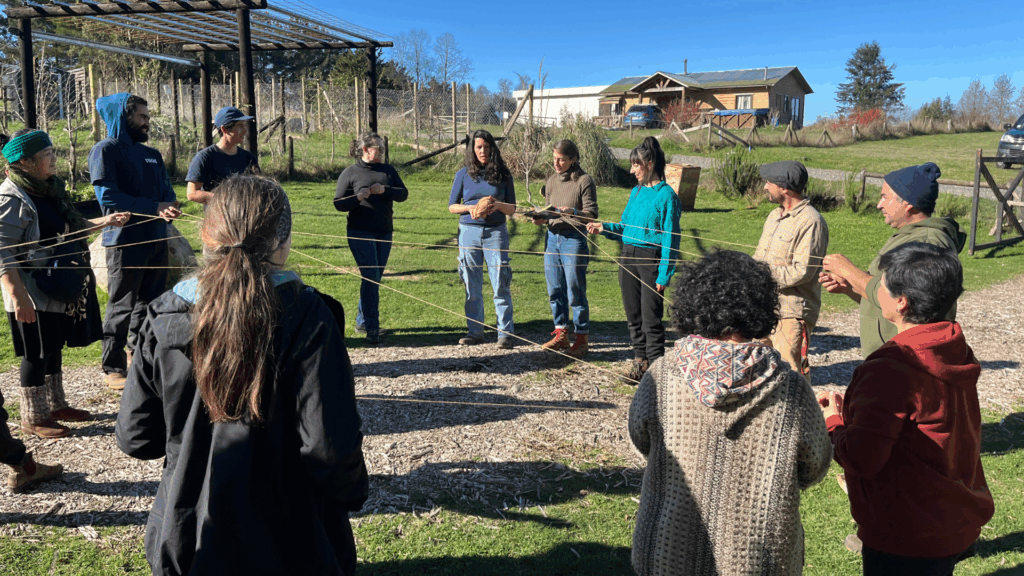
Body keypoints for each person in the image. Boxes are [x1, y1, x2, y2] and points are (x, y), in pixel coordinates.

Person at [116, 175, 369, 575]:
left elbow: (137, 437)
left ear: (206, 236)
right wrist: (350, 493)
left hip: (187, 537)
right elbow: (330, 449)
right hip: (292, 541)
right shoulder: (308, 317)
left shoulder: (163, 314)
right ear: (283, 242)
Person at [629, 250, 831, 576]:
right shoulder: (791, 388)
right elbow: (814, 466)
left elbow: (642, 441)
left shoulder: (661, 376)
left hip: (667, 550)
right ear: (762, 307)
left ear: (693, 303)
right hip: (755, 559)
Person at [820, 242, 994, 575]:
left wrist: (833, 422)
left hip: (904, 531)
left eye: (882, 283)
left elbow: (861, 458)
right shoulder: (950, 346)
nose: (876, 287)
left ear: (901, 302)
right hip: (949, 517)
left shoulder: (891, 369)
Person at [1, 129, 130, 437]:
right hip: (30, 289)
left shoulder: (50, 189)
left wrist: (106, 221)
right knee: (36, 352)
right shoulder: (11, 197)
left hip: (56, 283)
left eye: (52, 153)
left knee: (53, 345)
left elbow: (71, 227)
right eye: (46, 155)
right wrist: (18, 296)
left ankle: (56, 406)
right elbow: (2, 249)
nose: (53, 159)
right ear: (26, 162)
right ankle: (34, 417)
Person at [820, 162, 966, 358]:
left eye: (885, 197)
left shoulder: (926, 243)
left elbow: (911, 307)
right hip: (891, 357)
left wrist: (848, 270)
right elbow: (892, 301)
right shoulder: (909, 236)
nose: (879, 204)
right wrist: (850, 287)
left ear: (908, 203)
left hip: (907, 359)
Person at [89, 93, 181, 390]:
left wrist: (170, 206)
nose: (147, 122)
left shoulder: (152, 154)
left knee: (151, 303)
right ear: (123, 117)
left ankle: (139, 355)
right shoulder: (105, 150)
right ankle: (112, 366)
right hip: (125, 241)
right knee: (121, 305)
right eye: (141, 116)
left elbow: (167, 191)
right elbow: (108, 197)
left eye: (147, 117)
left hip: (156, 238)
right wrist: (154, 207)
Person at [586, 136, 681, 382]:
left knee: (651, 318)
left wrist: (664, 274)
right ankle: (640, 362)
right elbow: (625, 227)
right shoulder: (636, 192)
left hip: (650, 260)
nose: (631, 170)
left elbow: (671, 239)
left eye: (635, 165)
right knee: (633, 316)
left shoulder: (667, 196)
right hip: (627, 256)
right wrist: (604, 228)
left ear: (649, 164)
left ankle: (657, 373)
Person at [753, 160, 829, 381]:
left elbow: (802, 271)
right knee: (757, 365)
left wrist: (761, 276)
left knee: (790, 372)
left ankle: (800, 405)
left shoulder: (811, 221)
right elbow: (759, 258)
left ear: (784, 188)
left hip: (792, 311)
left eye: (769, 183)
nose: (765, 187)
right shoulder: (774, 216)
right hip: (764, 305)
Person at [333, 132, 409, 344]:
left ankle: (362, 322)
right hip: (359, 232)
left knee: (374, 278)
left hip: (384, 231)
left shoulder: (388, 171)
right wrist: (357, 198)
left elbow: (403, 194)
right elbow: (338, 203)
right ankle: (372, 328)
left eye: (383, 148)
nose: (383, 152)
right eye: (379, 148)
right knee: (370, 276)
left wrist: (385, 190)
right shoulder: (351, 173)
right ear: (366, 149)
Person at [447, 129, 516, 348]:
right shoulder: (463, 174)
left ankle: (505, 333)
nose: (483, 151)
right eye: (478, 147)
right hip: (469, 232)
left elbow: (512, 208)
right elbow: (452, 206)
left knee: (500, 282)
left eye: (486, 147)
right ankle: (475, 332)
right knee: (471, 283)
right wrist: (471, 208)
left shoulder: (503, 174)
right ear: (472, 149)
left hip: (495, 232)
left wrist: (497, 205)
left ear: (492, 149)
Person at [534, 140, 598, 358]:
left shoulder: (584, 181)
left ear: (573, 159)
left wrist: (573, 212)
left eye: (561, 159)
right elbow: (550, 212)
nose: (556, 163)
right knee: (555, 288)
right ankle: (561, 333)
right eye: (554, 159)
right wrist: (541, 218)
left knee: (575, 289)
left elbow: (591, 214)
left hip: (573, 239)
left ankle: (581, 337)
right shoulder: (551, 181)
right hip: (552, 238)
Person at [185, 106, 259, 205]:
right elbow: (192, 193)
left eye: (244, 125)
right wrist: (226, 199)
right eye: (240, 126)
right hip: (218, 213)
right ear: (224, 129)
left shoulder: (248, 158)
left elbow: (258, 188)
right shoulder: (204, 157)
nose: (245, 131)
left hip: (245, 213)